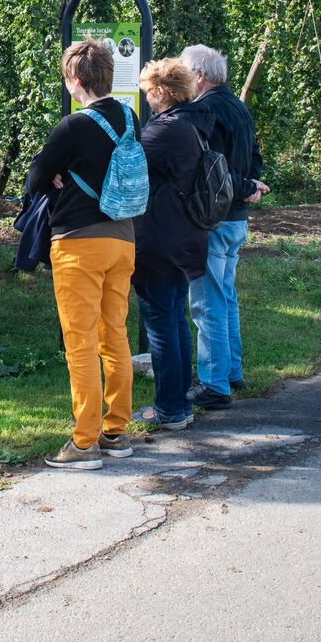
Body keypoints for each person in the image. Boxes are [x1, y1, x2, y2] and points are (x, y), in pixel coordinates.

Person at [24, 39, 138, 470]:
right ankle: (116, 431)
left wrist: (54, 173)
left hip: (78, 241)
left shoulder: (72, 126)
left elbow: (36, 178)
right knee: (115, 335)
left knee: (80, 344)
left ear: (76, 80)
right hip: (123, 237)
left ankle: (84, 442)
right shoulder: (131, 118)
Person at [176, 44, 268, 411]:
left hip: (213, 217)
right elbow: (253, 156)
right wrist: (253, 186)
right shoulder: (238, 106)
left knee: (206, 301)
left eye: (184, 74)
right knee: (225, 294)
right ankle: (232, 371)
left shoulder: (205, 111)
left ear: (199, 76)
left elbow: (211, 167)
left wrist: (244, 187)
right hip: (237, 217)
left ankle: (214, 383)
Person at [129, 58, 207, 431]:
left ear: (160, 91)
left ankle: (169, 408)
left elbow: (125, 163)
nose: (146, 98)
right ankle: (180, 403)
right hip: (184, 235)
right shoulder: (191, 124)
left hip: (157, 238)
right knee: (176, 319)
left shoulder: (163, 131)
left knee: (161, 322)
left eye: (148, 92)